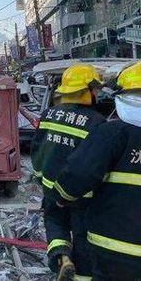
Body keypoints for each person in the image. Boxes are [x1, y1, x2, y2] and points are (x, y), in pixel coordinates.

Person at [54, 62, 141, 281]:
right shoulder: (99, 123)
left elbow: (77, 174)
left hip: (117, 250)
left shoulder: (113, 132)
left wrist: (61, 196)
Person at [31, 64, 106, 280]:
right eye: (96, 89)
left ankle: (61, 257)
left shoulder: (48, 115)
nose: (98, 93)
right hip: (83, 196)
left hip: (51, 189)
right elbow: (97, 162)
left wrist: (41, 179)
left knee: (55, 224)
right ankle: (81, 275)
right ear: (87, 90)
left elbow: (37, 150)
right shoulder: (96, 122)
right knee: (82, 238)